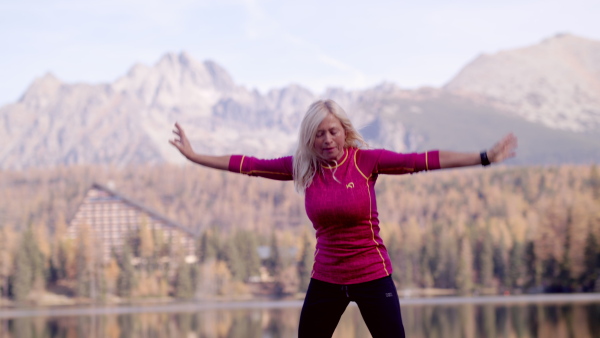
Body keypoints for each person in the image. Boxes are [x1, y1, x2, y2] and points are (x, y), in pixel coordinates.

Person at [170, 99, 518, 338]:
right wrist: (195, 156)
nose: (327, 140)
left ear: (344, 131)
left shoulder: (366, 162)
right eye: (319, 134)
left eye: (333, 131)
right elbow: (249, 164)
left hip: (372, 275)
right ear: (310, 138)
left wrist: (484, 157)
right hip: (327, 279)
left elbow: (422, 159)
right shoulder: (301, 167)